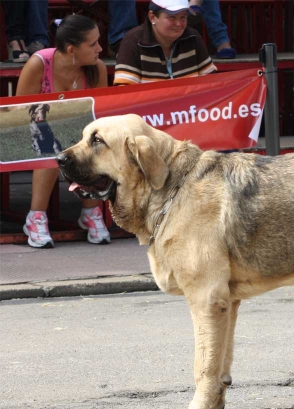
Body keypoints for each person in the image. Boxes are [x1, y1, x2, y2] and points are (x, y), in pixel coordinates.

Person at [16, 14, 110, 248]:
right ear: (71, 49)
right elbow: (19, 112)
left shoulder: (97, 68)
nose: (100, 48)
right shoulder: (38, 64)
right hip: (34, 130)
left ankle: (91, 213)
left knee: (94, 147)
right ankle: (35, 217)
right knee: (52, 150)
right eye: (93, 44)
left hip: (77, 132)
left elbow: (100, 113)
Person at [114, 0, 216, 85]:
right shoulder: (132, 41)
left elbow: (212, 83)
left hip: (191, 108)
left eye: (183, 17)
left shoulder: (193, 37)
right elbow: (125, 94)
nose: (179, 24)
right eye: (172, 17)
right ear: (152, 17)